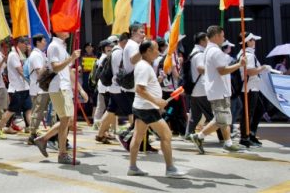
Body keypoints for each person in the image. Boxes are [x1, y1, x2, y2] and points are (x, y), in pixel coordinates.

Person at [127, 40, 188, 178]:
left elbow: (144, 87)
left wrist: (157, 82)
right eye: (155, 49)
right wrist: (157, 102)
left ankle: (132, 167)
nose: (158, 51)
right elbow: (139, 89)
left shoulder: (144, 65)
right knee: (166, 135)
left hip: (142, 106)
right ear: (148, 51)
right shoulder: (144, 66)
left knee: (137, 137)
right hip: (147, 108)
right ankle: (170, 169)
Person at [188, 25, 246, 154]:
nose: (224, 38)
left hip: (216, 89)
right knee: (221, 119)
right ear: (216, 36)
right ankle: (200, 137)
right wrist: (239, 64)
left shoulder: (209, 50)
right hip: (218, 90)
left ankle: (226, 142)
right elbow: (222, 70)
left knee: (222, 118)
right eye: (222, 36)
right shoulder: (215, 51)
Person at [33, 32, 81, 165]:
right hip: (58, 87)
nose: (68, 30)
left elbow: (68, 70)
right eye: (65, 28)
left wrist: (80, 89)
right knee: (65, 120)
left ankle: (43, 139)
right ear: (58, 31)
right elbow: (55, 68)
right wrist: (71, 58)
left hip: (64, 87)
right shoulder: (54, 46)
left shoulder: (61, 46)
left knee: (69, 120)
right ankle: (62, 154)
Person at [237, 32, 272, 148]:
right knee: (248, 114)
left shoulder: (246, 53)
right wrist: (263, 68)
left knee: (257, 111)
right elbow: (249, 71)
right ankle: (245, 137)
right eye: (252, 40)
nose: (254, 42)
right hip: (249, 88)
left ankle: (250, 134)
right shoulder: (248, 55)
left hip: (252, 87)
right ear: (247, 42)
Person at [0, 37, 31, 137]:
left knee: (28, 109)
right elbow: (20, 71)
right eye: (25, 43)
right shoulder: (13, 54)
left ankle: (30, 129)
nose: (27, 46)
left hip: (25, 88)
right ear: (19, 43)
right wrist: (31, 81)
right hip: (16, 89)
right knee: (10, 111)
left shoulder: (20, 54)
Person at [27, 35, 49, 144]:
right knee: (38, 111)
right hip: (39, 88)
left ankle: (33, 133)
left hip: (42, 88)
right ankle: (32, 134)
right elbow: (39, 72)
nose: (46, 42)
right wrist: (50, 67)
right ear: (38, 42)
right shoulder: (36, 55)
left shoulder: (40, 54)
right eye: (44, 40)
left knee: (40, 111)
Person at [93, 38, 114, 135]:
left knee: (101, 106)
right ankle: (103, 127)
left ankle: (98, 125)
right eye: (108, 46)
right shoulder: (105, 57)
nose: (110, 47)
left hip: (101, 86)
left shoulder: (101, 57)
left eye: (111, 46)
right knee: (107, 108)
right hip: (105, 86)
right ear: (103, 48)